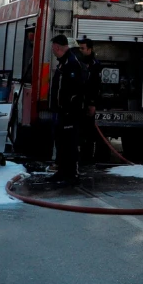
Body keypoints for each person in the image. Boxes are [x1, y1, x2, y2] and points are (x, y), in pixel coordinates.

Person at [48, 34, 86, 183]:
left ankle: (71, 174)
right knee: (61, 142)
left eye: (53, 47)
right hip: (61, 111)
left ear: (57, 47)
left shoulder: (72, 63)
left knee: (70, 143)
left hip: (70, 112)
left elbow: (77, 88)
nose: (52, 50)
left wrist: (69, 107)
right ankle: (62, 171)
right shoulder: (63, 63)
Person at [74, 36, 103, 165]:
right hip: (78, 102)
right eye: (79, 48)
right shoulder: (77, 62)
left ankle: (88, 157)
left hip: (88, 102)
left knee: (89, 132)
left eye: (83, 48)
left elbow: (95, 85)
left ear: (89, 49)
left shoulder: (95, 65)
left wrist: (92, 103)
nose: (80, 50)